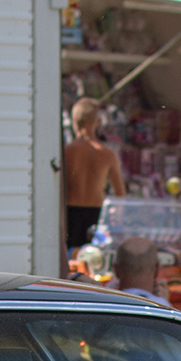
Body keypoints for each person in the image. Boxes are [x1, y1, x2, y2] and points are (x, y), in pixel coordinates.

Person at [63, 98, 124, 253]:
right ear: (98, 122)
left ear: (74, 121)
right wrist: (116, 215)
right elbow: (120, 193)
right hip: (97, 214)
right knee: (93, 258)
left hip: (69, 214)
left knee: (71, 257)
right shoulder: (108, 154)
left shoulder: (66, 152)